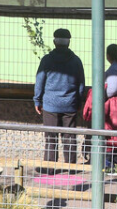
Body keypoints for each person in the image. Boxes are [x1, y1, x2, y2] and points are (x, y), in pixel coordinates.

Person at [33, 29, 86, 165]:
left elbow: (40, 81)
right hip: (70, 104)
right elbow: (81, 84)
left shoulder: (47, 60)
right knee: (69, 138)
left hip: (50, 105)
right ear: (69, 42)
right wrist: (79, 101)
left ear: (54, 42)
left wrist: (37, 100)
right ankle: (70, 168)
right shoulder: (76, 61)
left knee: (51, 139)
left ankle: (50, 168)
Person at [82, 85, 117, 171]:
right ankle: (113, 167)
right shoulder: (115, 100)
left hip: (109, 137)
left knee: (109, 151)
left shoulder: (100, 99)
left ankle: (108, 167)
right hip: (114, 137)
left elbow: (87, 114)